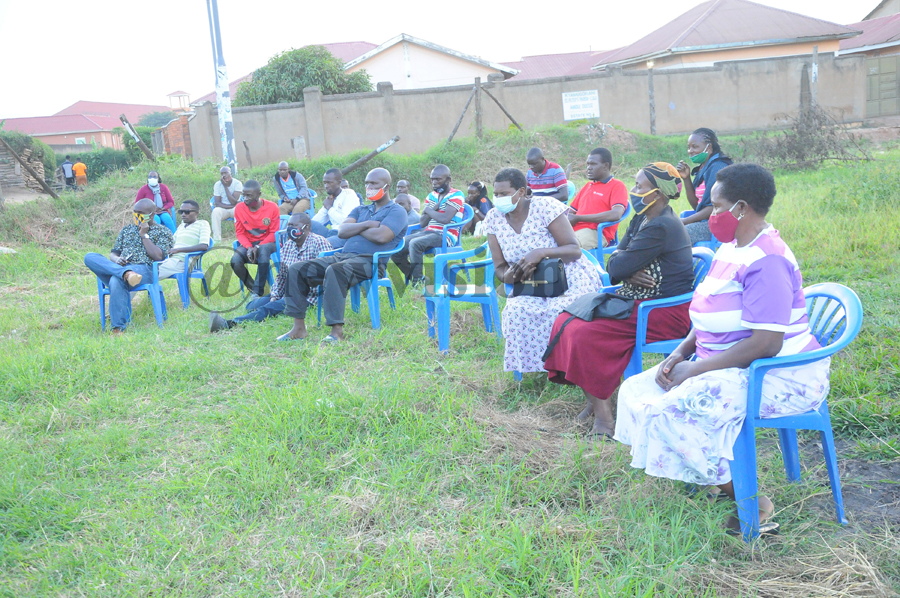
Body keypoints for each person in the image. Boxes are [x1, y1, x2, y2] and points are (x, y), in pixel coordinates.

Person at [615, 163, 828, 534]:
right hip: (730, 364)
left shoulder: (768, 260)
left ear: (741, 208)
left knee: (675, 410)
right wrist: (680, 353)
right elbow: (708, 313)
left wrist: (696, 370)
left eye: (715, 207)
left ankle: (749, 501)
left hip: (780, 375)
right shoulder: (733, 247)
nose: (710, 215)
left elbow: (767, 342)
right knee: (637, 390)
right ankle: (706, 477)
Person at [544, 163, 694, 438]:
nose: (633, 191)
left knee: (583, 333)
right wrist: (625, 267)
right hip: (636, 299)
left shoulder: (661, 225)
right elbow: (616, 259)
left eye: (639, 186)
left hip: (662, 311)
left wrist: (624, 267)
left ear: (658, 194)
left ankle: (605, 420)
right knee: (566, 317)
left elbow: (615, 268)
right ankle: (594, 400)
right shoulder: (643, 218)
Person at [483, 168, 601, 374]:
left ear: (521, 191)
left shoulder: (544, 207)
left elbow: (574, 250)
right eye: (496, 194)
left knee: (561, 310)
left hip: (568, 274)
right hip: (530, 283)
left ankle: (569, 369)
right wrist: (509, 276)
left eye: (503, 194)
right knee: (516, 311)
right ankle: (537, 369)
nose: (498, 198)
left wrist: (539, 253)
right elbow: (500, 268)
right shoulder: (494, 218)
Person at [278, 167, 407, 343]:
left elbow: (382, 236)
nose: (369, 187)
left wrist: (356, 229)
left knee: (335, 270)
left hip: (371, 262)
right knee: (297, 269)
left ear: (386, 186)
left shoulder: (396, 211)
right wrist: (368, 224)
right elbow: (342, 232)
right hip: (344, 255)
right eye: (367, 183)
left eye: (373, 183)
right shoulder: (361, 211)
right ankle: (298, 328)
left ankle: (336, 332)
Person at [209, 212, 332, 331]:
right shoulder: (289, 245)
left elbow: (328, 273)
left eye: (294, 225)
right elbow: (282, 276)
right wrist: (275, 295)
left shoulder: (319, 242)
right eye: (288, 225)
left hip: (309, 296)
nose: (290, 229)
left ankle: (228, 324)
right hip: (287, 292)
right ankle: (274, 305)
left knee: (267, 309)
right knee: (252, 306)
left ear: (307, 227)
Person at [83, 198, 174, 332]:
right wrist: (117, 260)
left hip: (144, 270)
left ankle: (117, 329)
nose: (136, 216)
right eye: (135, 212)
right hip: (121, 267)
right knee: (90, 256)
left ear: (152, 214)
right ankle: (125, 273)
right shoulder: (127, 230)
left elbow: (157, 256)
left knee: (115, 280)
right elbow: (113, 253)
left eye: (140, 213)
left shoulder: (163, 232)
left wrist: (144, 235)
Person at [391, 165, 465, 286]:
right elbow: (423, 222)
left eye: (438, 179)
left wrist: (429, 210)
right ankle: (417, 278)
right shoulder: (432, 196)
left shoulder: (456, 195)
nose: (434, 183)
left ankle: (417, 281)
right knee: (396, 247)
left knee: (415, 244)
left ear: (448, 180)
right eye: (432, 179)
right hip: (429, 231)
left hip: (446, 234)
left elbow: (445, 219)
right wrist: (433, 209)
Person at [676, 128, 733, 245]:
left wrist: (685, 221)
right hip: (706, 222)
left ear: (709, 147)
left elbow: (714, 207)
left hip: (718, 224)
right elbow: (698, 206)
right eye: (689, 147)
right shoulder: (704, 167)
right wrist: (686, 178)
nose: (690, 151)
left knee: (677, 235)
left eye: (695, 147)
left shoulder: (718, 167)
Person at [568, 147, 629, 251]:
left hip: (597, 232)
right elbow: (571, 211)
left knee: (567, 247)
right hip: (575, 229)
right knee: (547, 241)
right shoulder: (588, 185)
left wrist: (579, 218)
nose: (588, 168)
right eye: (587, 164)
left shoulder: (617, 185)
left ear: (605, 166)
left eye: (593, 164)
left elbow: (616, 214)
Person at [231, 180, 280, 298]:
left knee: (263, 250)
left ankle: (258, 292)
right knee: (235, 261)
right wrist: (249, 247)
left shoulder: (272, 207)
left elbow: (274, 233)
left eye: (249, 195)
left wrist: (258, 246)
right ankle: (254, 288)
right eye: (243, 195)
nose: (245, 198)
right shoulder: (239, 208)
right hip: (249, 243)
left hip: (269, 243)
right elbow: (240, 233)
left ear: (258, 194)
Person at [157, 201, 211, 279]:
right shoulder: (181, 226)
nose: (183, 214)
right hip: (170, 260)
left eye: (187, 212)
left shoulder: (203, 224)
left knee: (150, 273)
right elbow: (171, 243)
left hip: (183, 262)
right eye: (181, 212)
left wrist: (178, 250)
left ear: (197, 212)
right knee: (144, 269)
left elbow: (204, 246)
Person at [311, 168, 359, 239]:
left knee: (326, 243)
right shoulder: (331, 198)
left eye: (330, 182)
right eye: (325, 183)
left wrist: (329, 208)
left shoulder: (349, 195)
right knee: (306, 224)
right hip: (331, 233)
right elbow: (317, 220)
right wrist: (326, 207)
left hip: (344, 235)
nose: (326, 186)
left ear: (339, 182)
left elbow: (345, 222)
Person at [211, 166, 243, 242]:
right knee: (215, 211)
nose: (224, 175)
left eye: (226, 173)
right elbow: (217, 203)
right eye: (222, 173)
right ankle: (217, 240)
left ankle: (240, 237)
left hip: (235, 209)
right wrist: (231, 206)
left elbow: (233, 201)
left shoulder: (237, 183)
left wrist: (225, 187)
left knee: (239, 210)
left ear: (230, 173)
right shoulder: (217, 185)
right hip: (223, 209)